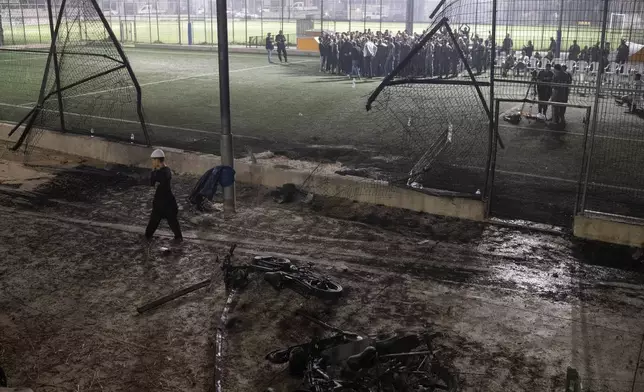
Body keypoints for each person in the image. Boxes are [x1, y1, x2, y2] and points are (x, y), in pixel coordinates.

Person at [145, 149, 183, 243]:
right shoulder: (164, 171)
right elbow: (153, 183)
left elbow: (156, 181)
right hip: (163, 203)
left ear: (157, 160)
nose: (152, 162)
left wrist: (154, 172)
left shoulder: (164, 172)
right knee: (156, 223)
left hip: (164, 203)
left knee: (170, 223)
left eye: (153, 160)